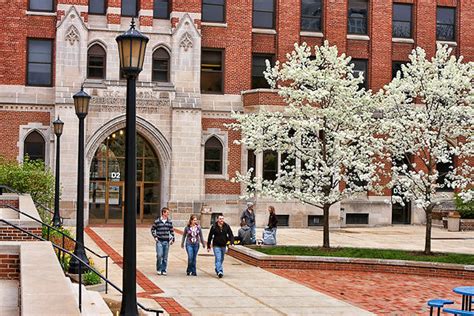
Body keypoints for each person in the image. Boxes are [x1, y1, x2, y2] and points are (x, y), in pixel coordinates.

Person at [207, 214, 234, 278]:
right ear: (217, 219)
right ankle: (220, 271)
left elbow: (231, 234)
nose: (221, 220)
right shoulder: (214, 226)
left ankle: (217, 268)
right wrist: (208, 245)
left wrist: (231, 242)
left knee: (221, 259)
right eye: (220, 219)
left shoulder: (226, 226)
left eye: (222, 219)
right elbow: (210, 236)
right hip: (216, 245)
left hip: (223, 245)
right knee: (218, 258)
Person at [151, 207, 175, 275]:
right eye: (167, 212)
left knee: (165, 257)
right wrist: (155, 236)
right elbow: (152, 229)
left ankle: (164, 269)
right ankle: (159, 268)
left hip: (166, 241)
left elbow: (171, 231)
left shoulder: (169, 222)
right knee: (159, 255)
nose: (168, 214)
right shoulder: (157, 221)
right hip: (159, 241)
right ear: (163, 213)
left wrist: (173, 238)